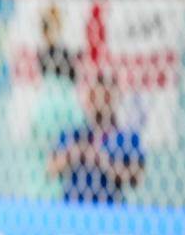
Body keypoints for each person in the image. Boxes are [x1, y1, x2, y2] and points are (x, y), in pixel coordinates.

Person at [47, 73, 144, 204]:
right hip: (73, 205)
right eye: (94, 97)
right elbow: (51, 169)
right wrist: (74, 153)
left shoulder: (127, 138)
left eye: (106, 98)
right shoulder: (75, 133)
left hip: (109, 206)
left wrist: (104, 161)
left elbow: (135, 177)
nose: (99, 103)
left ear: (117, 99)